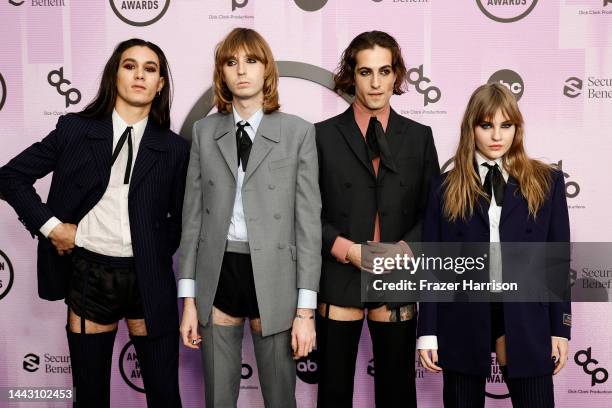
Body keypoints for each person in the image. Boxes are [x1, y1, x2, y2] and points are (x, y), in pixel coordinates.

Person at [0, 39, 188, 407]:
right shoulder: (75, 130)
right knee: (90, 398)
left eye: (150, 69)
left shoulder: (175, 149)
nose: (139, 75)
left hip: (149, 278)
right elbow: (10, 178)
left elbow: (182, 221)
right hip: (90, 275)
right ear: (114, 74)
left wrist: (152, 248)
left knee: (165, 396)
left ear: (160, 84)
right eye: (129, 65)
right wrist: (52, 227)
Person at [177, 27, 321, 408]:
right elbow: (192, 222)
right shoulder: (204, 132)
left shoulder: (298, 133)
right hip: (217, 274)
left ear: (266, 70)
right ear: (221, 73)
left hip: (274, 277)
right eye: (231, 62)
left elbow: (308, 227)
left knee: (279, 398)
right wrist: (188, 300)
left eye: (251, 61)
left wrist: (305, 311)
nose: (241, 70)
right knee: (218, 399)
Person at [417, 83, 571, 408]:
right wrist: (427, 331)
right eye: (486, 125)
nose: (496, 135)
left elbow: (555, 262)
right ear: (471, 128)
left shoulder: (548, 182)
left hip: (528, 318)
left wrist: (560, 328)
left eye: (506, 125)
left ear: (517, 128)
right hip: (461, 317)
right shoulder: (444, 187)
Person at [315, 30, 440, 407]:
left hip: (398, 276)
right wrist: (344, 249)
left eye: (384, 71)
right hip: (339, 274)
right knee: (334, 392)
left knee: (398, 393)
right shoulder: (321, 136)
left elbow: (432, 213)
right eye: (365, 72)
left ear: (397, 75)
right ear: (352, 75)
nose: (375, 82)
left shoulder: (419, 137)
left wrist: (404, 249)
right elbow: (304, 213)